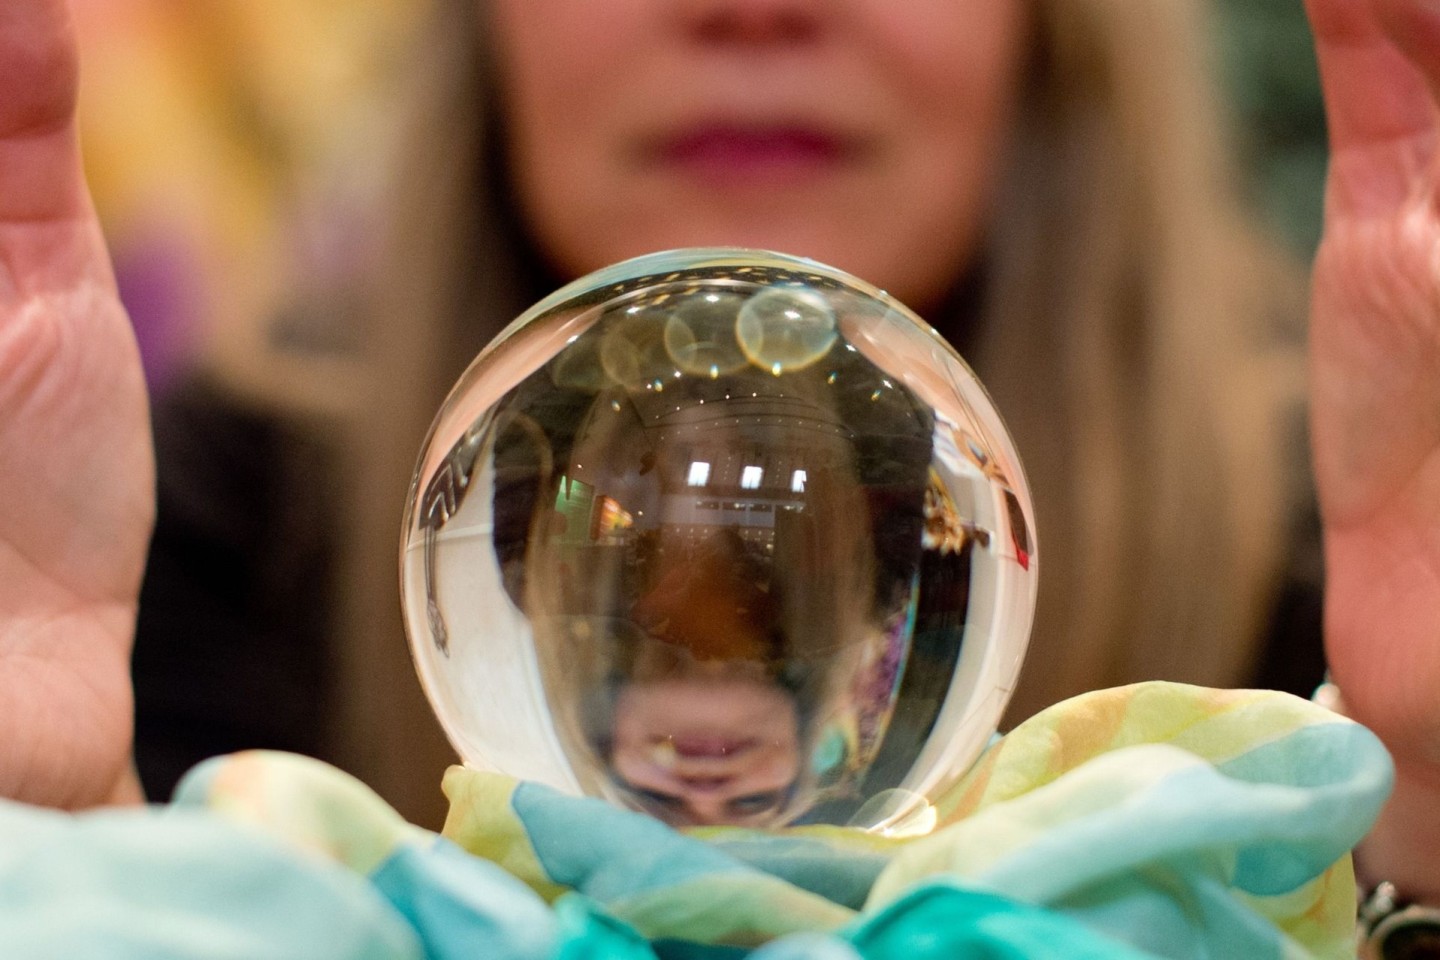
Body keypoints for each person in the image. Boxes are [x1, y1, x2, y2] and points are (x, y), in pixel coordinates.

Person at [2, 0, 1437, 910]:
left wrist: (1421, 819)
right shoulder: (207, 536)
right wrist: (62, 852)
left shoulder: (1338, 569)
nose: (754, 13)